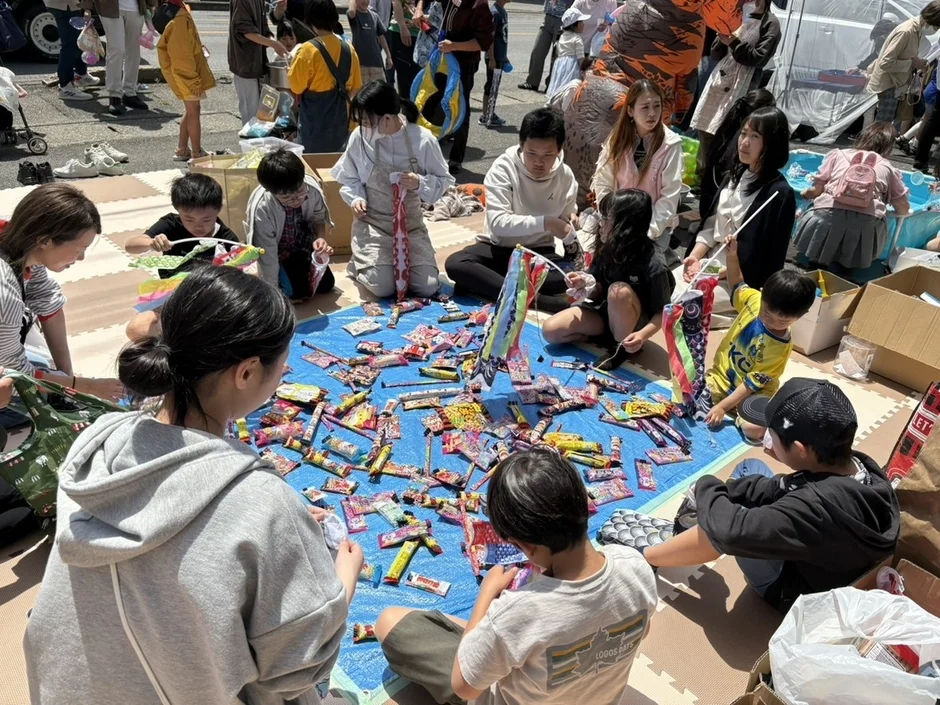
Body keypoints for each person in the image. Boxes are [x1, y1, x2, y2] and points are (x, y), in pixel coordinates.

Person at [24, 265, 362, 704]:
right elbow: (295, 671)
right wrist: (343, 580)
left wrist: (276, 526)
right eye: (282, 364)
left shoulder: (96, 445)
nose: (286, 370)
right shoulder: (264, 502)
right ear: (246, 372)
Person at [376, 448, 658, 705]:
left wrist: (487, 595)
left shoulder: (517, 611)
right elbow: (641, 631)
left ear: (526, 546)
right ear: (584, 503)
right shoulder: (634, 564)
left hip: (494, 688)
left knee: (389, 621)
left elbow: (464, 687)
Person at [644, 378, 900, 614]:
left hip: (795, 592)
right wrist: (721, 494)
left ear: (800, 450)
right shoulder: (857, 465)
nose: (765, 438)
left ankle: (647, 557)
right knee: (749, 470)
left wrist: (705, 485)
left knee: (729, 523)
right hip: (828, 557)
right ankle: (694, 529)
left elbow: (732, 531)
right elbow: (784, 487)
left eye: (771, 433)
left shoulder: (813, 506)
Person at [0, 185, 123, 422]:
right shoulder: (4, 292)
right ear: (45, 241)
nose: (82, 258)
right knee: (37, 404)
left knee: (47, 372)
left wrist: (68, 379)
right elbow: (16, 374)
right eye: (81, 249)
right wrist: (86, 386)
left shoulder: (18, 244)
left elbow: (48, 301)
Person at [445, 108, 578, 313]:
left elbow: (566, 215)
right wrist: (547, 222)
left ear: (559, 150)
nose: (539, 162)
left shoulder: (565, 176)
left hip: (538, 252)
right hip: (500, 249)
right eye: (531, 153)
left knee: (567, 277)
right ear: (521, 144)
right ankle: (539, 301)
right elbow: (498, 224)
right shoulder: (503, 168)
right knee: (457, 263)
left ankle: (489, 283)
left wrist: (571, 220)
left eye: (548, 154)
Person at [332, 81, 453, 298]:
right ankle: (360, 263)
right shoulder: (360, 137)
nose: (363, 128)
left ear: (387, 118)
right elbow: (349, 177)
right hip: (374, 223)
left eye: (368, 122)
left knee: (426, 287)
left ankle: (377, 265)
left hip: (410, 226)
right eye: (361, 122)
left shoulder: (422, 140)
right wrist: (356, 198)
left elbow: (445, 180)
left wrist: (420, 183)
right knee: (383, 287)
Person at [543, 189, 675, 370]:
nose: (600, 223)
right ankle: (602, 337)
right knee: (551, 331)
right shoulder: (607, 247)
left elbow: (663, 312)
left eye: (606, 218)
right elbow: (597, 287)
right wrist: (584, 283)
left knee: (618, 291)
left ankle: (621, 348)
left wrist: (642, 335)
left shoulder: (653, 263)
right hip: (604, 313)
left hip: (633, 322)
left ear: (626, 225)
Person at [701, 237, 816, 440]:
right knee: (688, 390)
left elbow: (750, 385)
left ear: (800, 317)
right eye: (767, 314)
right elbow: (737, 284)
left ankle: (756, 415)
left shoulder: (778, 348)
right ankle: (720, 402)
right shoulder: (755, 301)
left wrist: (722, 407)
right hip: (721, 379)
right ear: (762, 295)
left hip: (753, 393)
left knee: (754, 430)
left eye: (782, 321)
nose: (771, 322)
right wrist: (731, 255)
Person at [684, 106, 795, 292]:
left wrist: (716, 273)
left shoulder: (779, 194)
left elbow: (770, 258)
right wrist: (695, 257)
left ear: (772, 142)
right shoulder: (734, 175)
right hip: (708, 262)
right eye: (743, 134)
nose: (744, 142)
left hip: (739, 279)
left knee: (684, 299)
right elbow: (712, 226)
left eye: (755, 136)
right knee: (665, 287)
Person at [795, 122, 910, 274]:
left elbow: (816, 191)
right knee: (869, 225)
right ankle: (848, 267)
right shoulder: (889, 168)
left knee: (821, 212)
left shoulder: (838, 155)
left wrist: (805, 194)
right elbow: (903, 209)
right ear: (889, 146)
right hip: (865, 225)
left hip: (826, 217)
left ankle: (817, 261)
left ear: (863, 137)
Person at [591, 80, 684, 255]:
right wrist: (611, 222)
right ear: (630, 111)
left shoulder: (671, 144)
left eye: (657, 106)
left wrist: (647, 233)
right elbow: (603, 183)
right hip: (617, 221)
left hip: (654, 225)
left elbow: (669, 197)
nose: (652, 113)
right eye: (645, 107)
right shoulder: (617, 139)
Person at [690, 0, 780, 175]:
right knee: (705, 126)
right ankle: (703, 175)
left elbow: (758, 58)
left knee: (728, 131)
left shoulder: (770, 23)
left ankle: (723, 175)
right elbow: (716, 53)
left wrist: (734, 42)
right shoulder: (735, 16)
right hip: (721, 78)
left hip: (742, 83)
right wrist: (722, 36)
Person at [246, 148, 336, 300]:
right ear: (269, 191)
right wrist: (273, 292)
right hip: (279, 252)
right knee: (295, 292)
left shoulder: (312, 190)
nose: (295, 199)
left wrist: (320, 239)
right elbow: (267, 253)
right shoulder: (263, 208)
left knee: (326, 285)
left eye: (300, 191)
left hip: (303, 244)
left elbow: (319, 218)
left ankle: (296, 269)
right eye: (286, 197)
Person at [419, 0, 494, 174]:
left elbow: (483, 42)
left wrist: (454, 46)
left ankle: (456, 159)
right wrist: (420, 12)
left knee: (460, 109)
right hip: (441, 60)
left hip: (463, 65)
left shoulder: (479, 5)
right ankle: (424, 151)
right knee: (430, 102)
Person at [288, 0, 364, 153]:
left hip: (313, 124)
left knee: (313, 162)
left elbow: (296, 87)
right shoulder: (349, 49)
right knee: (339, 162)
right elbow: (356, 87)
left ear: (311, 22)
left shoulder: (307, 50)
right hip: (342, 122)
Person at [697, 88, 775, 223]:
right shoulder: (741, 149)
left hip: (708, 207)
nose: (745, 142)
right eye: (746, 135)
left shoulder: (728, 126)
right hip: (719, 214)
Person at [156, 0, 215, 161]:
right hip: (185, 74)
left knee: (191, 109)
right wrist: (193, 80)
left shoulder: (177, 12)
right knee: (194, 110)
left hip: (183, 72)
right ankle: (197, 152)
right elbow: (182, 55)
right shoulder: (179, 18)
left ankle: (182, 149)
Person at [866, 1, 940, 124]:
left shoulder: (916, 31)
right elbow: (885, 62)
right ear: (929, 20)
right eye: (937, 27)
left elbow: (906, 57)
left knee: (884, 126)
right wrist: (912, 64)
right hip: (888, 86)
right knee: (881, 127)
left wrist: (919, 64)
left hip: (895, 85)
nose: (936, 30)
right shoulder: (906, 31)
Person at [86, 0, 154, 116]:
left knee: (134, 51)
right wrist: (87, 7)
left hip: (136, 8)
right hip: (109, 7)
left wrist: (151, 5)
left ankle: (129, 92)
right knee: (116, 49)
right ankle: (114, 95)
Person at [230, 0, 288, 126]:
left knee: (260, 114)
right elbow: (245, 31)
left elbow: (264, 29)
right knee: (250, 115)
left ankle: (255, 137)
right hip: (245, 65)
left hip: (258, 64)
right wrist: (273, 44)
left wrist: (275, 43)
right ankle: (248, 138)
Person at [45, 0, 100, 101]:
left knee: (78, 41)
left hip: (71, 5)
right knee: (70, 45)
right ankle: (65, 87)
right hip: (63, 6)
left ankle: (80, 74)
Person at [519, 0, 574, 93]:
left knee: (556, 55)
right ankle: (532, 82)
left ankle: (551, 85)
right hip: (548, 16)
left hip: (563, 20)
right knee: (537, 50)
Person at [545, 8, 589, 102]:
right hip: (572, 68)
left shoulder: (561, 36)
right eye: (581, 22)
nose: (584, 24)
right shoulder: (577, 39)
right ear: (574, 24)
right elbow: (581, 59)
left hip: (560, 66)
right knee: (569, 90)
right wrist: (585, 72)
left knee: (560, 86)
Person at [480, 0, 510, 129]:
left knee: (495, 86)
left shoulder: (503, 12)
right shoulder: (494, 13)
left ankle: (490, 113)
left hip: (500, 57)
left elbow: (502, 37)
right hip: (494, 58)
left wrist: (504, 57)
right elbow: (490, 38)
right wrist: (491, 58)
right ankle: (486, 115)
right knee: (491, 86)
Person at [348, 0, 393, 85]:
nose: (365, 2)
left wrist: (388, 56)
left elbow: (381, 36)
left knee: (379, 89)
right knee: (362, 91)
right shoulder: (355, 16)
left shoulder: (374, 16)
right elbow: (351, 12)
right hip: (359, 63)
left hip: (376, 62)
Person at [389, 0, 421, 100]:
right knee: (405, 78)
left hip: (421, 34)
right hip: (404, 32)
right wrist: (402, 28)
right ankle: (405, 105)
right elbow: (396, 2)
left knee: (418, 76)